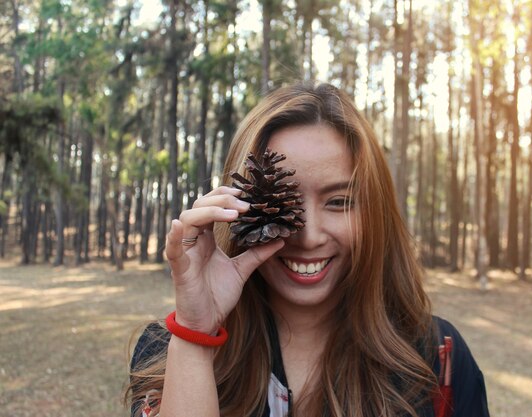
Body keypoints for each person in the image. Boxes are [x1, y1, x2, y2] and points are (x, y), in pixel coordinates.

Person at [125, 83, 490, 417]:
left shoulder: (439, 359)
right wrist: (195, 334)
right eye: (283, 202)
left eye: (339, 202)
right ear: (237, 207)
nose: (309, 236)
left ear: (374, 214)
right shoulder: (167, 353)